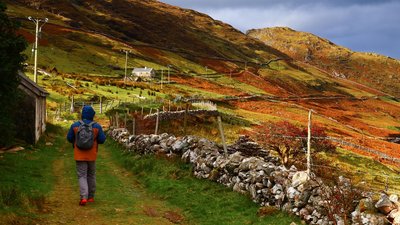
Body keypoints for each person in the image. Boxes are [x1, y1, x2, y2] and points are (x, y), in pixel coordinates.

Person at [67, 105, 106, 206]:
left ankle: (83, 197)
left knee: (82, 175)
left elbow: (69, 138)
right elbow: (102, 140)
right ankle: (91, 197)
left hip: (79, 154)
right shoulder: (97, 126)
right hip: (92, 155)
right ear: (92, 114)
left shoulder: (75, 125)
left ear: (82, 114)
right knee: (91, 175)